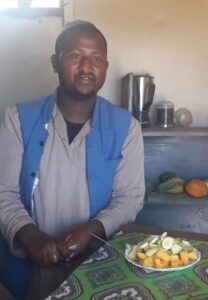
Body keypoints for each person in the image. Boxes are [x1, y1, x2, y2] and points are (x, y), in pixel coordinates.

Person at [0, 20, 145, 299]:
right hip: (33, 266)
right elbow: (3, 192)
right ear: (55, 62)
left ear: (105, 66)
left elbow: (130, 197)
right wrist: (30, 236)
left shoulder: (126, 127)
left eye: (97, 59)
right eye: (76, 56)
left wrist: (91, 231)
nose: (87, 68)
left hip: (100, 266)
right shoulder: (17, 120)